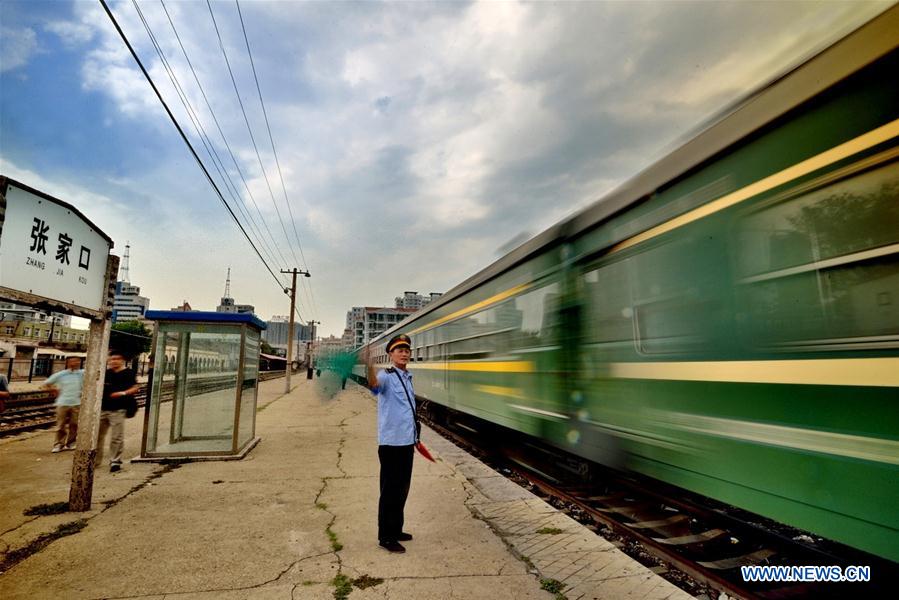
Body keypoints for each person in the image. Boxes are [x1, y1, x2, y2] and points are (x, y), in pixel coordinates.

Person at [365, 333, 418, 553]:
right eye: (399, 350)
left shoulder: (408, 378)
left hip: (406, 442)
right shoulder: (386, 376)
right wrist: (369, 364)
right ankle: (385, 536)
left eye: (406, 350)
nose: (404, 353)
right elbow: (374, 386)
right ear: (391, 354)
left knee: (402, 489)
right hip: (391, 444)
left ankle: (396, 529)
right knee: (390, 491)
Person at [97, 351, 139, 472]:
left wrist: (122, 393)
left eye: (117, 359)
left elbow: (135, 387)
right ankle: (95, 461)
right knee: (97, 436)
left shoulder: (129, 373)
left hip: (119, 409)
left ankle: (115, 461)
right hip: (103, 408)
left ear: (122, 360)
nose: (114, 361)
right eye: (112, 359)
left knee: (116, 437)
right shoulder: (106, 373)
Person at [43, 356, 84, 452]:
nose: (75, 363)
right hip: (62, 403)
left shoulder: (82, 373)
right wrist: (54, 391)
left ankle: (71, 443)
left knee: (74, 424)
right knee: (60, 425)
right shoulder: (61, 374)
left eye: (77, 361)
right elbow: (46, 384)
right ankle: (58, 444)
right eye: (72, 361)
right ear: (67, 362)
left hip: (77, 403)